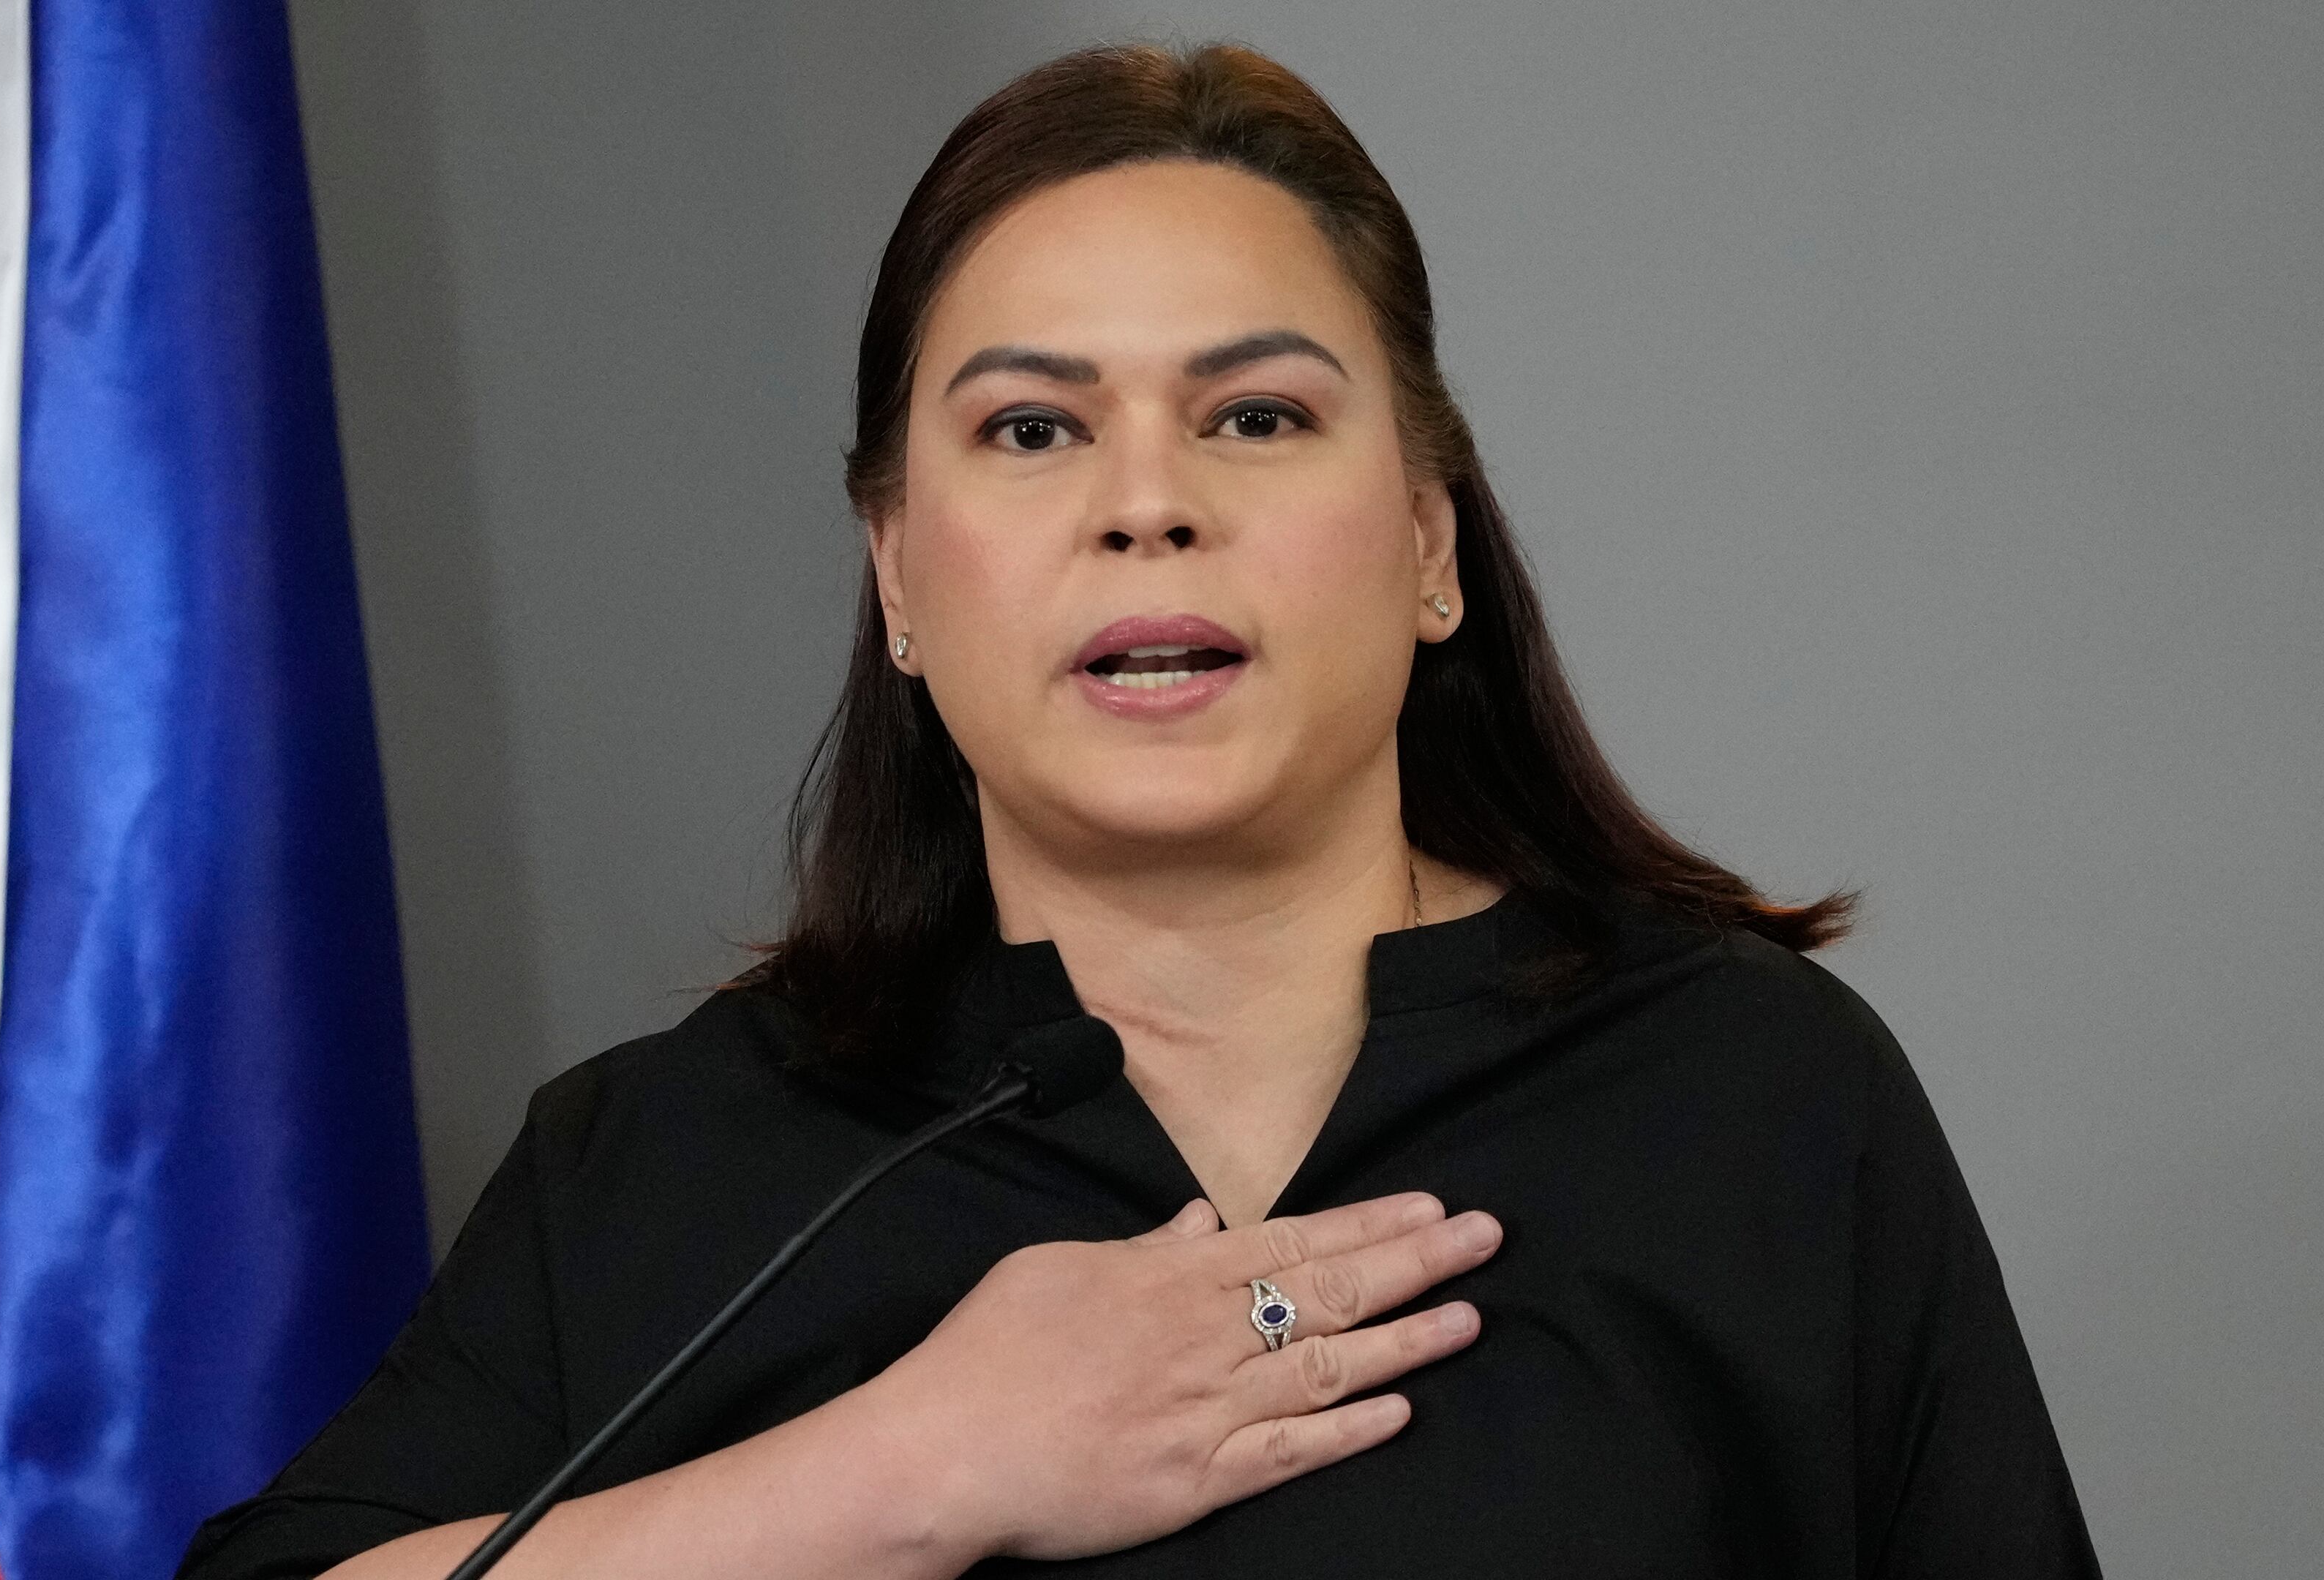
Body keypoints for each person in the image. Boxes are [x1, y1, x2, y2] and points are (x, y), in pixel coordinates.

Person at [178, 41, 2099, 1580]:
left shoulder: (1759, 1097)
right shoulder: (669, 1161)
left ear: (1429, 539)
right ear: (900, 574)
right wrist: (912, 1471)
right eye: (1031, 428)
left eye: (1256, 414)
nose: (1147, 501)